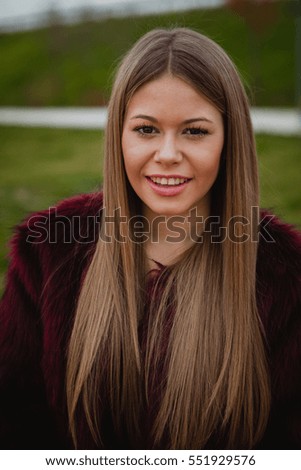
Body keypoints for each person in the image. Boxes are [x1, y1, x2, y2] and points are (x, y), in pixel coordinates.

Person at [0, 27, 300, 451]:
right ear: (118, 136)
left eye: (195, 131)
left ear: (229, 140)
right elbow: (14, 430)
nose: (168, 153)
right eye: (146, 130)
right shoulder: (48, 250)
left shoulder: (286, 274)